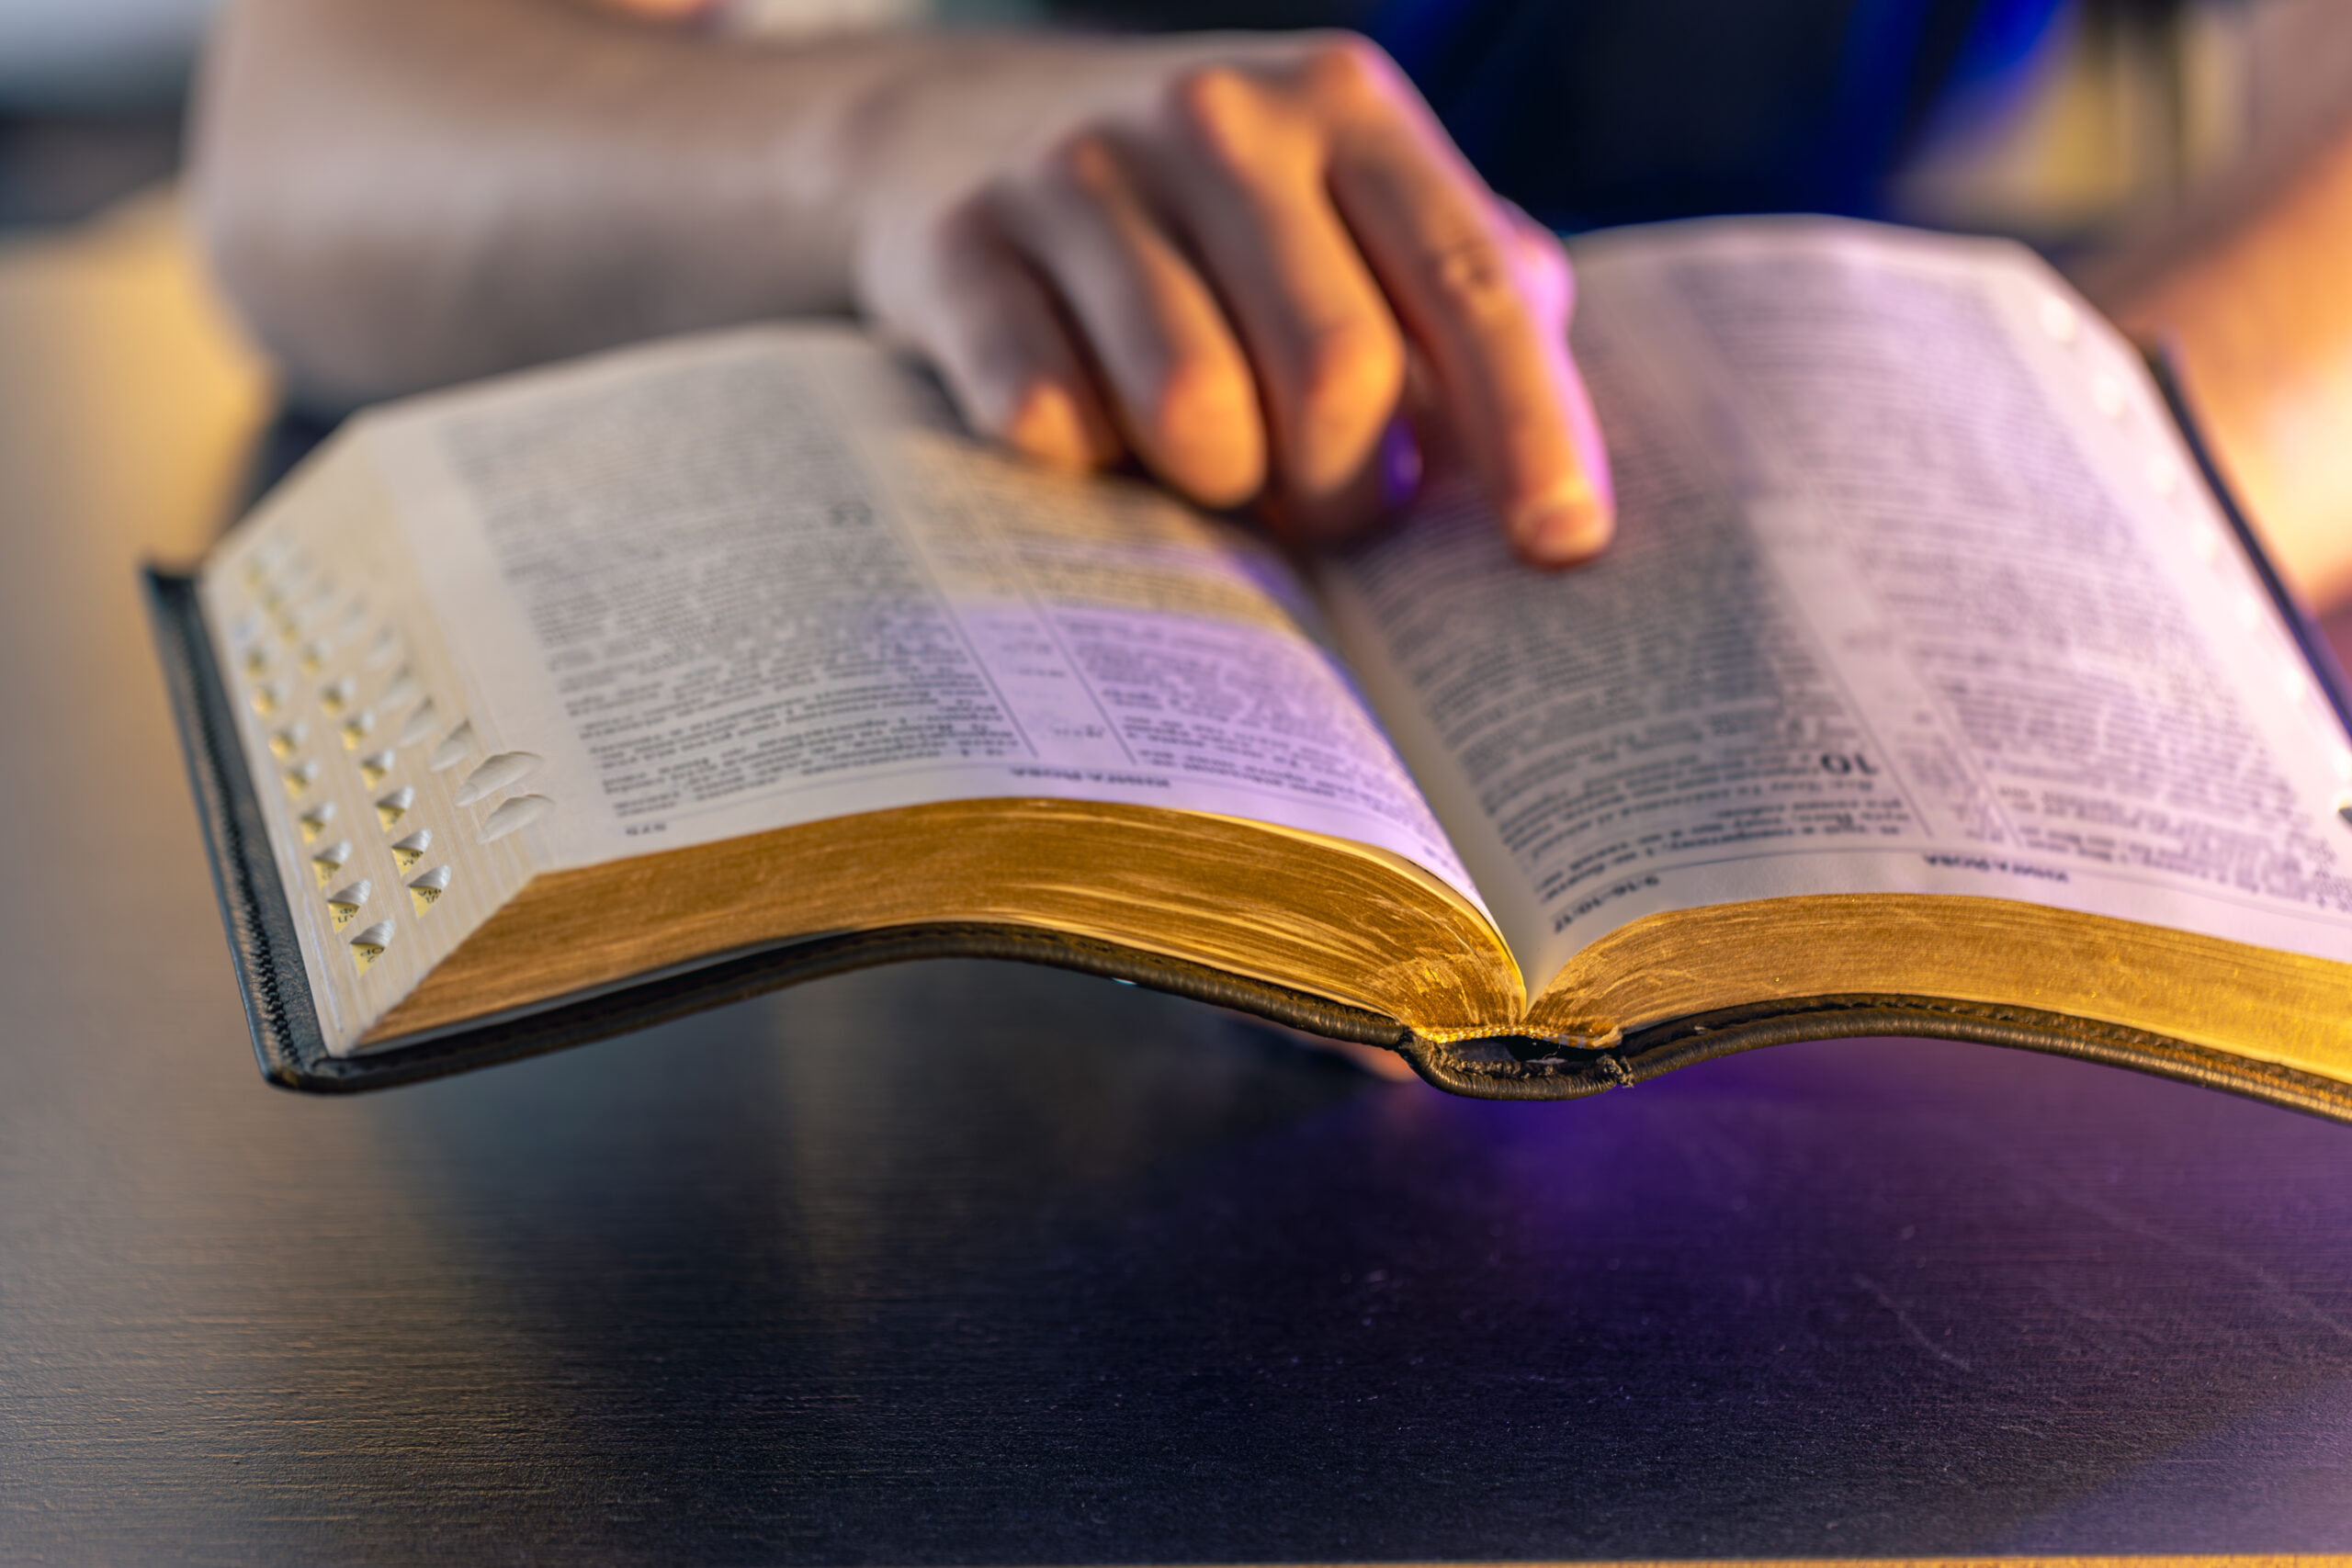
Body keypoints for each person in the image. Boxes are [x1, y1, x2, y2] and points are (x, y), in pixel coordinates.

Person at [190, 0, 2352, 603]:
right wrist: (886, 147)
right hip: (1107, 470)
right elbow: (312, 124)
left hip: (1857, 448)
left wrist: (2086, 501)